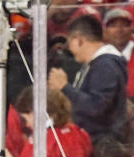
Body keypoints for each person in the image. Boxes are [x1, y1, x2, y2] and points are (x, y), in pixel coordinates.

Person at [47, 14, 129, 143]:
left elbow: (96, 108)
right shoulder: (96, 64)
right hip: (94, 142)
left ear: (78, 40)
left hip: (102, 146)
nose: (70, 49)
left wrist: (65, 87)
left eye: (70, 42)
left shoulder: (105, 65)